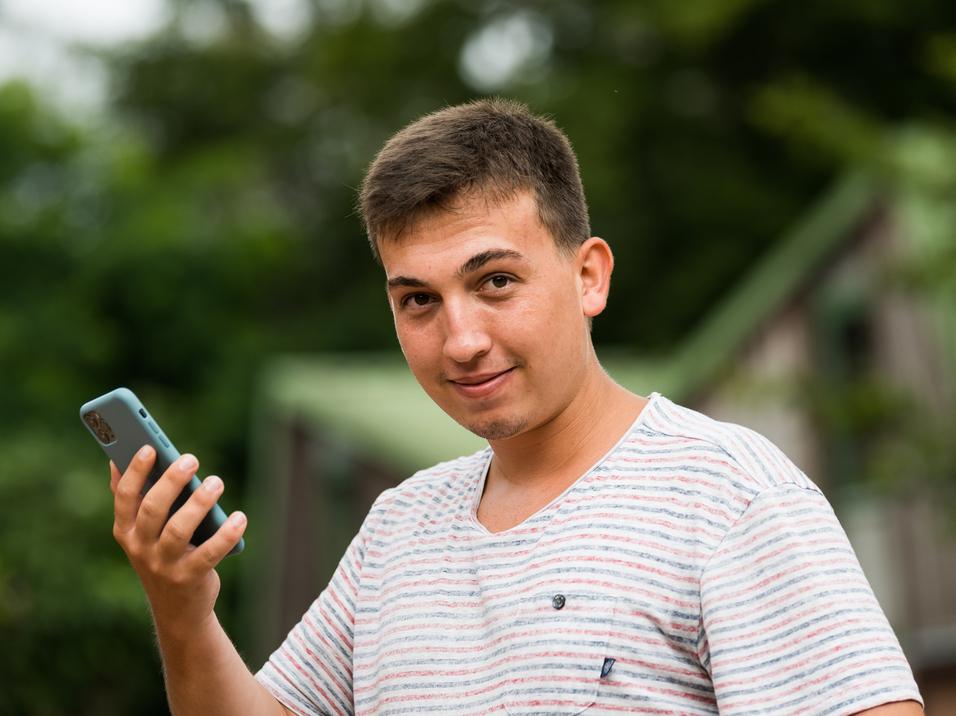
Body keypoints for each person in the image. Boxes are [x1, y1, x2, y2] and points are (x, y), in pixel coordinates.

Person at [109, 98, 924, 715]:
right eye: (418, 300)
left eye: (495, 282)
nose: (460, 339)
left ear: (589, 276)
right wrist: (180, 609)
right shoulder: (399, 528)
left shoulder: (724, 492)